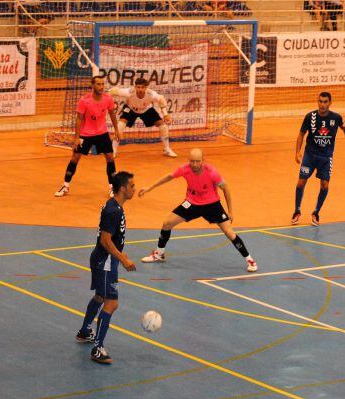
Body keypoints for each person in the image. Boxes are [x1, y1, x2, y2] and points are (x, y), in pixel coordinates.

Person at [138, 148, 258, 273]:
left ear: (203, 161)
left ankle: (250, 260)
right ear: (188, 160)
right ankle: (159, 254)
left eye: (197, 161)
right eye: (192, 161)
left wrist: (230, 211)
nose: (194, 164)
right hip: (192, 203)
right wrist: (149, 187)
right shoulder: (185, 169)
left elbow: (226, 188)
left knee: (229, 233)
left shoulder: (212, 172)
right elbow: (169, 176)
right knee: (167, 223)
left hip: (212, 205)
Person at [76, 171, 137, 364]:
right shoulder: (114, 210)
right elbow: (105, 240)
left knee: (100, 297)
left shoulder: (114, 205)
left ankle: (85, 331)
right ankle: (98, 348)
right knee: (111, 303)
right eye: (132, 186)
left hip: (104, 259)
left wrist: (120, 254)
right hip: (106, 261)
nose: (134, 189)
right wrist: (122, 258)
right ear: (122, 188)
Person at [292, 92, 345, 226]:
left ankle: (316, 212)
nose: (322, 104)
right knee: (300, 182)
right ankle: (297, 211)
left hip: (326, 157)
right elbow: (301, 134)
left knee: (325, 185)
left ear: (330, 103)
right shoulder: (310, 117)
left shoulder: (336, 118)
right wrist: (298, 151)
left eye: (325, 102)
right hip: (309, 155)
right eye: (320, 101)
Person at [54, 75, 122, 198]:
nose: (101, 87)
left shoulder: (108, 99)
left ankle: (112, 187)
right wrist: (76, 137)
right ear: (92, 86)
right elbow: (79, 119)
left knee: (110, 158)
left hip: (102, 133)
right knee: (75, 158)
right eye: (98, 84)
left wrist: (116, 130)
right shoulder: (84, 101)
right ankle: (65, 186)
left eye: (102, 84)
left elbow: (112, 114)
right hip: (86, 134)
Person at [109, 77, 177, 158]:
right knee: (120, 125)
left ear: (146, 88)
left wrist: (165, 114)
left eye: (142, 87)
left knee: (163, 126)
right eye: (138, 87)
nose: (140, 89)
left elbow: (161, 99)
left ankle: (167, 149)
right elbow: (114, 91)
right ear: (135, 87)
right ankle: (113, 150)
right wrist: (106, 94)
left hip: (146, 109)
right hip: (131, 108)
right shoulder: (129, 92)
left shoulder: (151, 94)